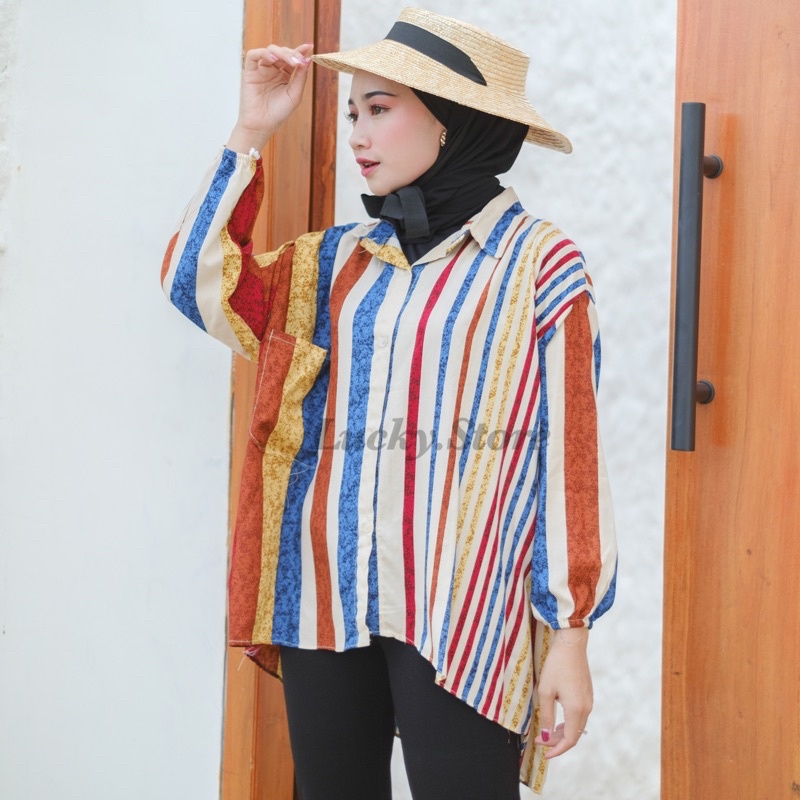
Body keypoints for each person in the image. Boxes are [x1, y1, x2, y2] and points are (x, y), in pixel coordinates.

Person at [161, 8, 617, 799]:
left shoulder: (541, 267)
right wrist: (251, 129)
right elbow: (194, 282)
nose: (358, 135)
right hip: (325, 597)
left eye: (379, 110)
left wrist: (570, 635)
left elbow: (569, 459)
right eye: (352, 114)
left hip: (461, 606)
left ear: (453, 123)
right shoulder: (331, 262)